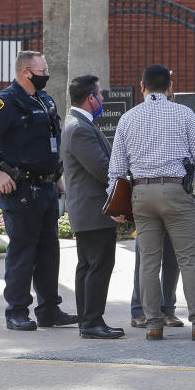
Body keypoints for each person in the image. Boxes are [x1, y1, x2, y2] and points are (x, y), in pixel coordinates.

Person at [108, 64, 195, 340]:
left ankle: (153, 324)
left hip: (141, 193)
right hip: (175, 190)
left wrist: (115, 203)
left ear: (142, 87)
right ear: (170, 88)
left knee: (149, 262)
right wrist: (189, 179)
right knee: (188, 260)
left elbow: (116, 168)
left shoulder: (128, 118)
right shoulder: (183, 113)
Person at [0, 50, 78, 331]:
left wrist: (55, 177)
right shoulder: (7, 102)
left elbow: (47, 142)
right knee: (22, 251)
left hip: (46, 187)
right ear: (25, 72)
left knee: (49, 250)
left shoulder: (44, 100)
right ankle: (16, 311)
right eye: (42, 70)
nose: (46, 74)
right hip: (21, 190)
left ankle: (49, 310)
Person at [59, 75, 124, 339]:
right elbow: (102, 168)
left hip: (87, 210)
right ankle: (92, 322)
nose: (103, 99)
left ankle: (88, 321)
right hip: (93, 210)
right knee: (97, 266)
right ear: (90, 98)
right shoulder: (80, 127)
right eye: (100, 94)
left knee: (88, 266)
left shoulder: (77, 124)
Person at [129, 233, 182, 329]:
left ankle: (167, 310)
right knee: (145, 262)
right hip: (147, 218)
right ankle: (139, 310)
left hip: (175, 219)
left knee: (173, 260)